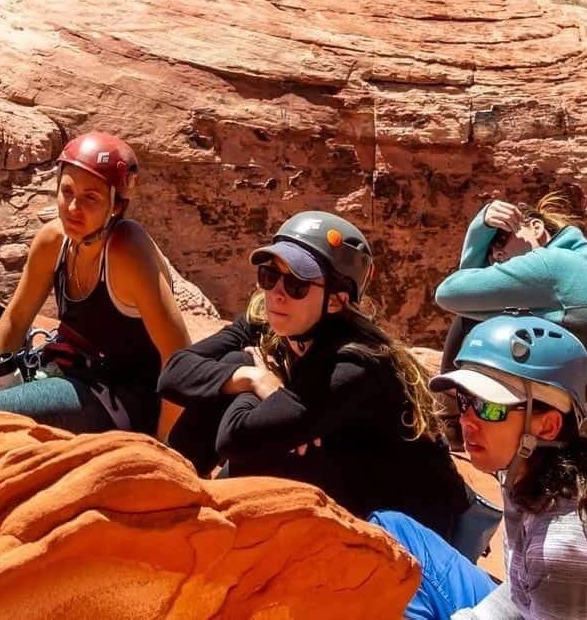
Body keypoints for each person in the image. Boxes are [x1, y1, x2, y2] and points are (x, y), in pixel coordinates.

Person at [160, 211, 479, 555]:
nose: (277, 294)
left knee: (247, 414)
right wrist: (251, 377)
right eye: (269, 276)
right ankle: (172, 508)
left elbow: (237, 439)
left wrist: (261, 385)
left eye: (296, 285)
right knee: (233, 367)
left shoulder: (354, 365)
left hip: (403, 528)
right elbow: (175, 373)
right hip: (337, 485)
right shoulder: (269, 323)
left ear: (336, 300)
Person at [0, 131, 191, 436]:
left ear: (116, 205)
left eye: (91, 198)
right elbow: (16, 320)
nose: (73, 208)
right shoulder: (53, 240)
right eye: (67, 191)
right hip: (63, 368)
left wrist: (165, 443)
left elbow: (178, 356)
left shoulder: (126, 251)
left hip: (116, 397)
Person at [435, 315, 587, 620]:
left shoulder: (564, 545)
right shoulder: (530, 474)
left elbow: (540, 574)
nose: (466, 419)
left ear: (547, 426)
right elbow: (522, 589)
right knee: (396, 528)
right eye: (465, 400)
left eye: (488, 407)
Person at [433, 181, 587, 477]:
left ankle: (451, 426)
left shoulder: (551, 265)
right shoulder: (581, 261)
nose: (498, 258)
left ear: (537, 228)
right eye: (491, 255)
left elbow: (451, 294)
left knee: (471, 321)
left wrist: (479, 229)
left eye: (501, 241)